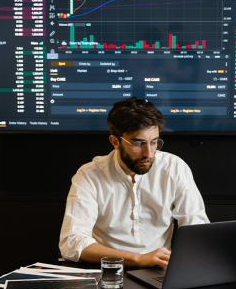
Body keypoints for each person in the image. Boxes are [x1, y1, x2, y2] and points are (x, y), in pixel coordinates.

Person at [59, 98, 209, 268]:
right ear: (115, 142)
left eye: (154, 142)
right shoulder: (89, 175)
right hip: (108, 270)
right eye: (138, 143)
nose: (149, 153)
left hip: (160, 270)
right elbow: (71, 243)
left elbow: (197, 230)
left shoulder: (174, 167)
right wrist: (138, 259)